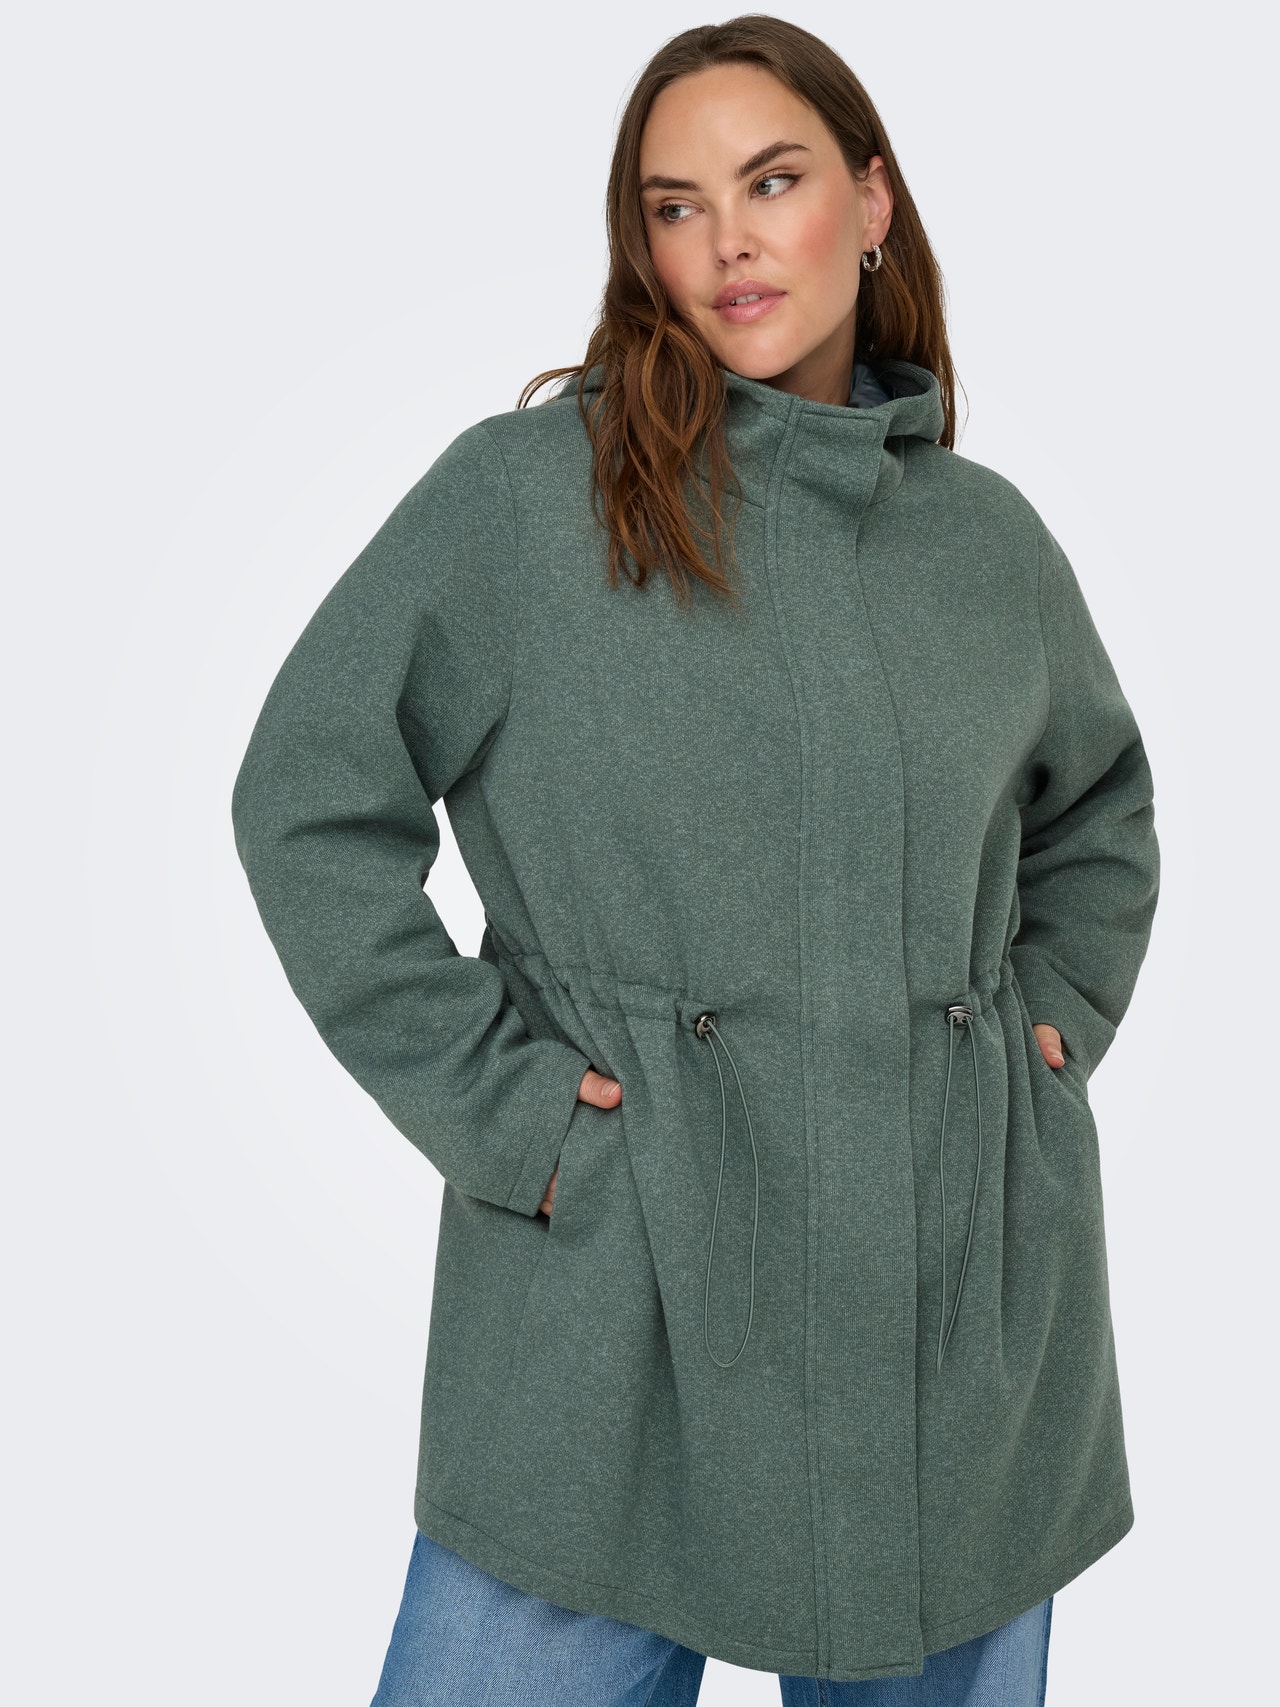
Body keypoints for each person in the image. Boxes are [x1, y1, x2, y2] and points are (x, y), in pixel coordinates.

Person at [230, 15, 1159, 1705]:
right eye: (675, 206)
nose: (727, 240)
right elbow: (307, 799)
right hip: (614, 1302)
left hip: (952, 1317)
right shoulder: (529, 503)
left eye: (772, 181)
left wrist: (1045, 1037)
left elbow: (1097, 813)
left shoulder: (988, 545)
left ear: (871, 203)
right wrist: (511, 1115)